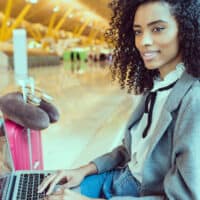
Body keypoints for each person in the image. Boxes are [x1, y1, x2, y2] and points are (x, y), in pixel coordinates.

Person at [38, 0, 200, 199]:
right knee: (44, 192)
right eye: (138, 31)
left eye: (157, 29)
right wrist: (83, 170)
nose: (144, 42)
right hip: (120, 179)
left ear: (186, 30)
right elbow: (130, 151)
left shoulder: (193, 99)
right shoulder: (157, 83)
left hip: (142, 194)